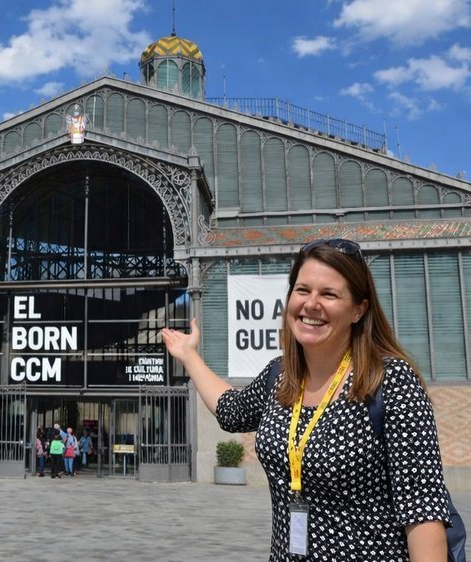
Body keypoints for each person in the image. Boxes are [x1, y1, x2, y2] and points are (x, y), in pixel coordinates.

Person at [161, 238, 450, 562]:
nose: (311, 303)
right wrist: (189, 356)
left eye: (329, 294)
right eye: (302, 290)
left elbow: (423, 515)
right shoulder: (281, 375)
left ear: (359, 309)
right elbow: (232, 411)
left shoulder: (391, 381)